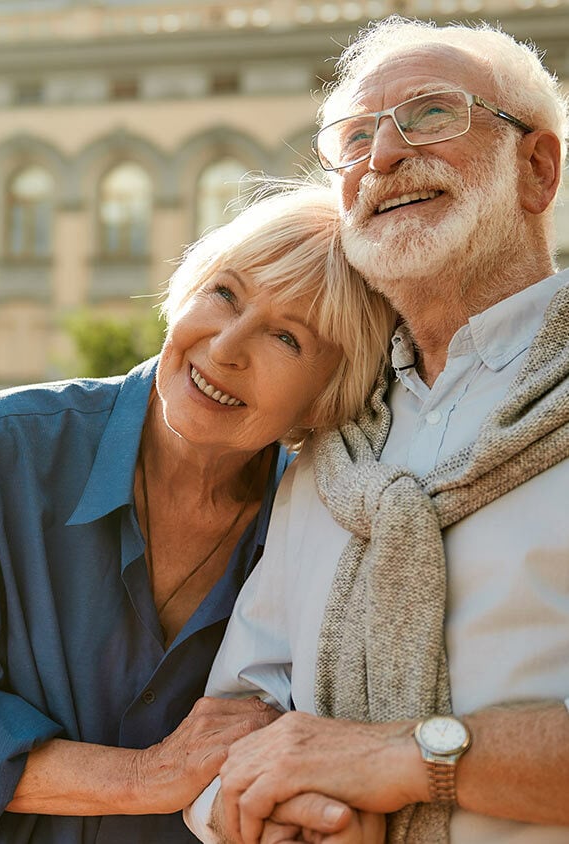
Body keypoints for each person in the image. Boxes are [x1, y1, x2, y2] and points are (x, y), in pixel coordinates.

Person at [0, 184, 396, 843]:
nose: (225, 347)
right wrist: (151, 775)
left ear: (330, 396)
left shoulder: (318, 529)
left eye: (286, 338)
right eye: (225, 294)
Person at [184, 16, 569, 844]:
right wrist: (284, 815)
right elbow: (240, 711)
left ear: (537, 170)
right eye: (353, 136)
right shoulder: (332, 438)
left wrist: (409, 758)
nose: (382, 156)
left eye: (431, 115)